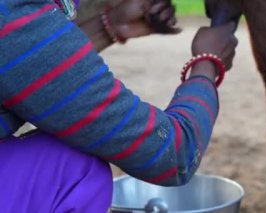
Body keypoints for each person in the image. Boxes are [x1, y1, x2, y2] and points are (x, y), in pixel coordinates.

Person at [0, 0, 238, 212]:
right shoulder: (15, 17)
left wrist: (109, 27)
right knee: (76, 169)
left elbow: (29, 68)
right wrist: (207, 64)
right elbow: (174, 156)